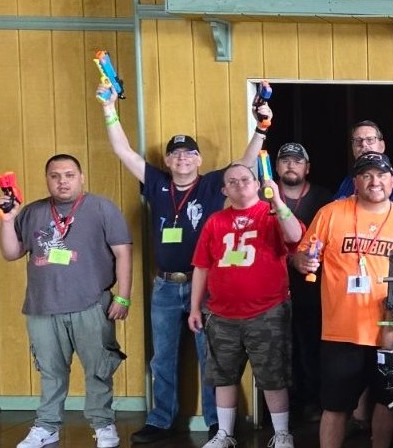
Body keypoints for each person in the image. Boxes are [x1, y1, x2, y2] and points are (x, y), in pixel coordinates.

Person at [99, 84, 265, 441]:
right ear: (168, 160)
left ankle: (217, 423)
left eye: (190, 153)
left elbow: (246, 164)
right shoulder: (157, 181)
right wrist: (109, 107)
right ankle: (160, 420)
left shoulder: (210, 185)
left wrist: (261, 128)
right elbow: (122, 150)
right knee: (162, 358)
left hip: (204, 284)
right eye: (176, 154)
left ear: (200, 160)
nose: (183, 158)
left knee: (211, 356)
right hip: (164, 286)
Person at [292, 152, 393, 448]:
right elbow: (303, 254)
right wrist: (302, 261)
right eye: (366, 175)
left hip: (390, 333)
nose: (374, 181)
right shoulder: (331, 213)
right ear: (356, 182)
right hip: (342, 331)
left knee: (386, 402)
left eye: (380, 175)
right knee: (335, 405)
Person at [3, 155, 132, 448]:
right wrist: (9, 220)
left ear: (81, 177)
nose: (62, 181)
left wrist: (123, 296)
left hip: (91, 304)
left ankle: (103, 425)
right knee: (50, 371)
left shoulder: (102, 208)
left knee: (99, 368)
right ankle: (47, 426)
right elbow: (11, 252)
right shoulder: (33, 211)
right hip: (42, 307)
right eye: (55, 175)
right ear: (47, 178)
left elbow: (123, 252)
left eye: (69, 174)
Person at [187, 164, 304, 448]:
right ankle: (224, 434)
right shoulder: (215, 221)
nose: (239, 185)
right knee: (223, 375)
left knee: (272, 375)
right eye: (232, 182)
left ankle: (281, 433)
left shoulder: (271, 214)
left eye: (245, 179)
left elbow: (295, 236)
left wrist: (276, 199)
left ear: (256, 184)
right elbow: (202, 266)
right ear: (224, 190)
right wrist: (194, 308)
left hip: (267, 311)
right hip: (221, 314)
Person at [273, 142, 335, 420]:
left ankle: (311, 402)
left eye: (297, 161)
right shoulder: (265, 198)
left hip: (312, 286)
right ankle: (282, 409)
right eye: (285, 160)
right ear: (276, 167)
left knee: (309, 346)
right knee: (277, 348)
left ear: (307, 167)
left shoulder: (325, 198)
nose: (290, 165)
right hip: (271, 287)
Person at [333, 120, 393, 206]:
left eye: (370, 140)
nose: (363, 144)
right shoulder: (348, 181)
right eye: (358, 140)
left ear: (382, 146)